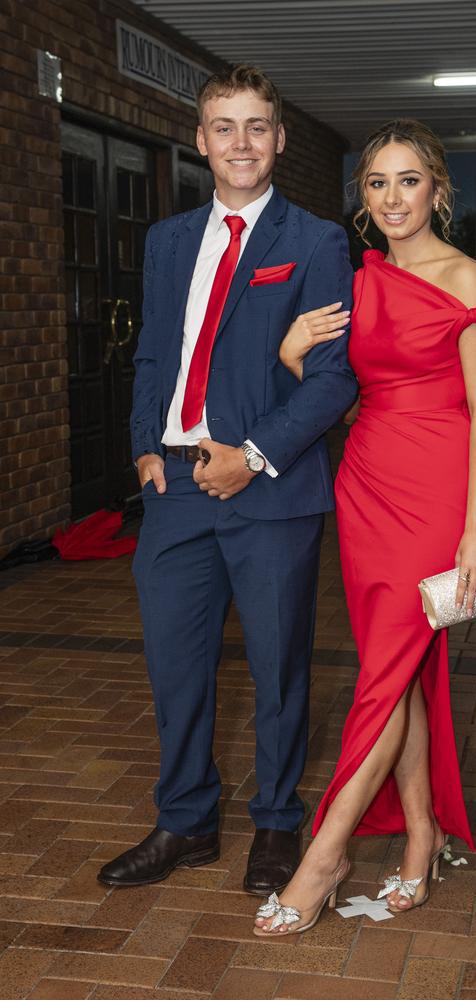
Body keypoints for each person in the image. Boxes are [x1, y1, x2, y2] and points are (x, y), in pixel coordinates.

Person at [97, 65, 357, 892]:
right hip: (174, 490)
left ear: (278, 140)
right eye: (223, 127)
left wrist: (254, 456)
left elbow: (333, 378)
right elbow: (153, 354)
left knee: (278, 670)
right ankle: (185, 822)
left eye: (255, 127)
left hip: (272, 490)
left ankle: (277, 825)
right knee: (176, 667)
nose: (239, 143)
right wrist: (145, 445)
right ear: (201, 139)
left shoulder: (316, 242)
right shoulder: (167, 241)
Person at [253, 119, 476, 936]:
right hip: (366, 480)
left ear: (438, 189)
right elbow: (337, 393)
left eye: (408, 181)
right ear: (361, 199)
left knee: (387, 669)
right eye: (376, 183)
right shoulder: (356, 282)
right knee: (396, 667)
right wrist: (293, 354)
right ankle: (422, 834)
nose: (393, 198)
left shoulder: (466, 279)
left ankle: (325, 855)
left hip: (437, 490)